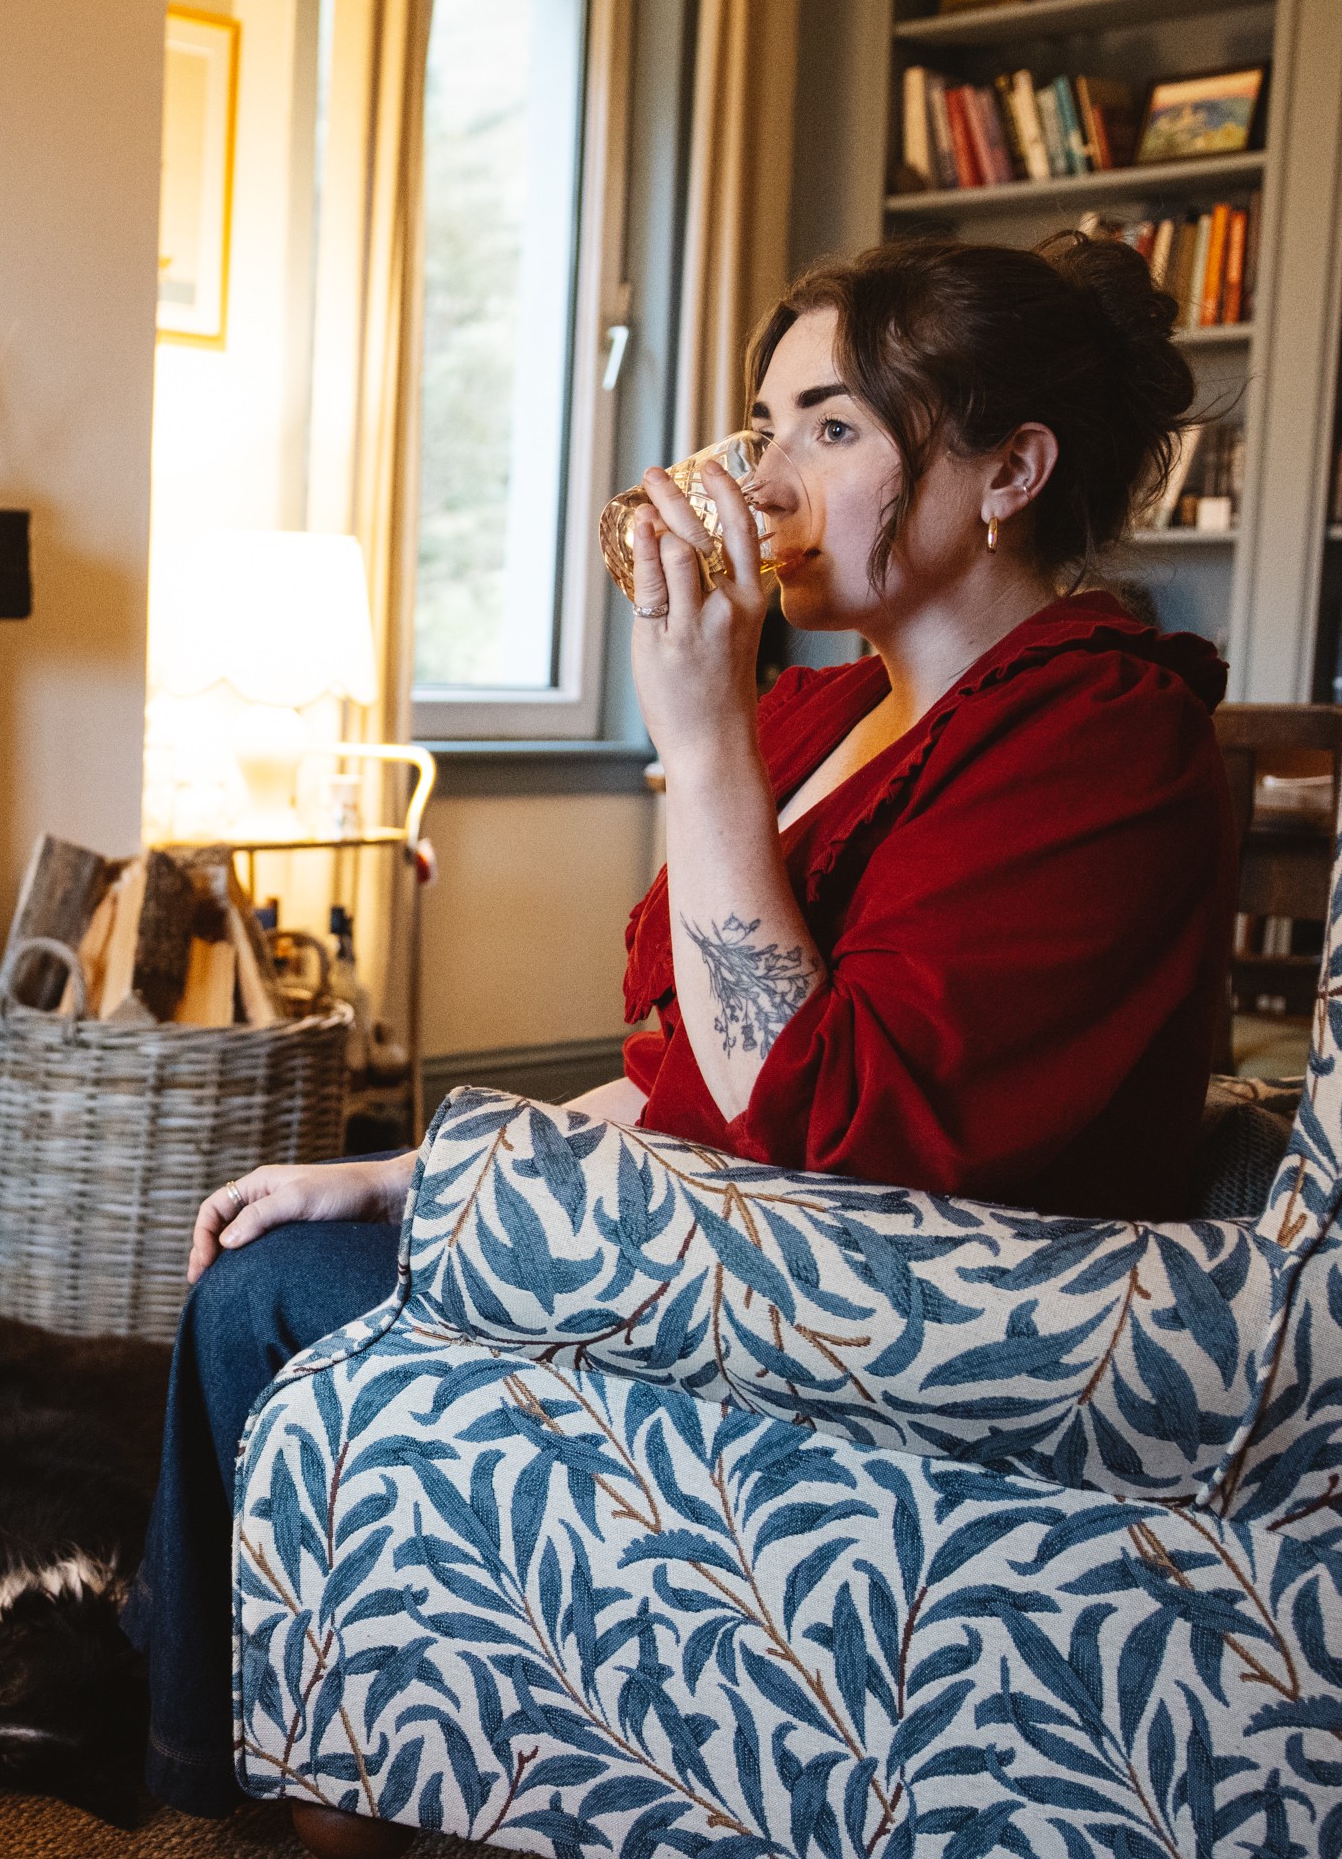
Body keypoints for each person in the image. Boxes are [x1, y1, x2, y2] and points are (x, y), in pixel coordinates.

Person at [121, 232, 1239, 1815]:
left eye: (834, 428)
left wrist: (702, 737)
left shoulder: (1101, 736)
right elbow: (695, 1072)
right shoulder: (833, 712)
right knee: (272, 1251)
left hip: (888, 1333)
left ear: (1012, 469)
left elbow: (822, 1120)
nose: (766, 479)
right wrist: (399, 1174)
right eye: (764, 425)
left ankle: (210, 1776)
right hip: (738, 1252)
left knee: (276, 1304)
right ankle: (216, 1723)